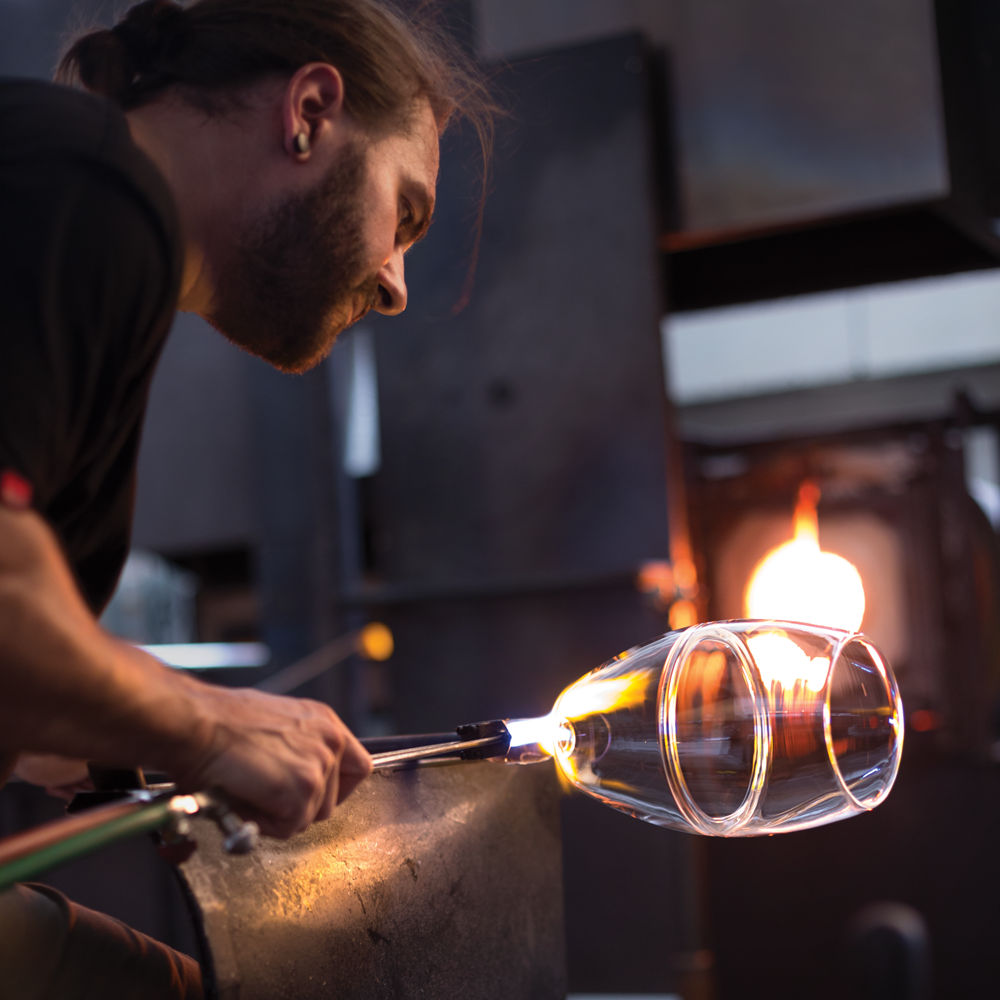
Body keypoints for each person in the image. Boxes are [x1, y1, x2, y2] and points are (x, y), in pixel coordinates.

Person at [0, 0, 493, 995]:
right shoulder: (88, 182)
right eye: (404, 213)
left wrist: (119, 729)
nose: (395, 285)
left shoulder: (92, 218)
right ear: (309, 112)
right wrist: (208, 723)